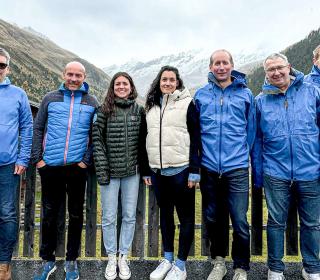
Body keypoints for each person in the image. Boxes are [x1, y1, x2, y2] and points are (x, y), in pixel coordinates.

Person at [252, 53, 320, 280]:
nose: (276, 73)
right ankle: (275, 268)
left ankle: (311, 267)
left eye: (280, 67)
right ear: (266, 73)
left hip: (310, 169)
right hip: (276, 172)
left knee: (312, 223)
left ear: (289, 67)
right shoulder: (260, 101)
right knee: (275, 222)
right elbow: (257, 140)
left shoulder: (311, 92)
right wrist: (259, 173)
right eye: (271, 69)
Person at [31, 61, 98, 280]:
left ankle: (71, 260)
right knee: (50, 214)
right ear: (63, 74)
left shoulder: (91, 101)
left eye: (78, 75)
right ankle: (47, 260)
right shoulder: (50, 98)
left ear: (84, 77)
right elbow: (38, 128)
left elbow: (95, 134)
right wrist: (39, 161)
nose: (73, 78)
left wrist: (86, 161)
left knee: (76, 215)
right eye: (70, 74)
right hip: (50, 167)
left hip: (77, 168)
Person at [194, 49, 255, 280]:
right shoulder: (201, 95)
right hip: (209, 169)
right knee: (213, 218)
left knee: (239, 220)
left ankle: (241, 267)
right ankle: (218, 262)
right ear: (211, 67)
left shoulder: (246, 95)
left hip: (236, 168)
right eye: (216, 63)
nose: (221, 67)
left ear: (231, 65)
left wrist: (243, 157)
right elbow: (196, 132)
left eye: (225, 63)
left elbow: (251, 131)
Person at [142, 65, 201, 280]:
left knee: (185, 218)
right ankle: (167, 259)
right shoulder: (150, 106)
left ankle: (180, 265)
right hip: (158, 172)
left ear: (178, 82)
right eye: (164, 79)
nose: (167, 83)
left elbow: (196, 137)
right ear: (159, 82)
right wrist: (148, 170)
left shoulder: (187, 104)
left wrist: (195, 170)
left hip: (181, 170)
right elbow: (145, 138)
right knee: (165, 217)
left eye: (172, 80)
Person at [92, 72, 147, 280]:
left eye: (125, 83)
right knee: (108, 217)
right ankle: (111, 258)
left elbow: (143, 142)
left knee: (129, 216)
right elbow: (97, 141)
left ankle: (123, 256)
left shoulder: (138, 110)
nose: (122, 87)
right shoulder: (103, 110)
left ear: (131, 87)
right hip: (110, 173)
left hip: (132, 173)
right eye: (118, 84)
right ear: (112, 87)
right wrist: (103, 168)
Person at [0, 48, 33, 280]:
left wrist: (22, 158)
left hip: (8, 164)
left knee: (7, 214)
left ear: (8, 68)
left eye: (1, 65)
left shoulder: (18, 94)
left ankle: (3, 265)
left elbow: (27, 128)